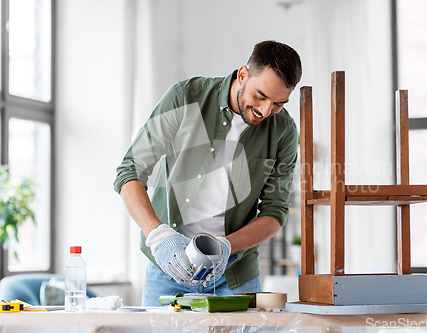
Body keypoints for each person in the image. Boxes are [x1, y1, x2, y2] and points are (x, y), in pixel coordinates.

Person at [113, 40, 302, 306]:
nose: (265, 111)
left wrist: (226, 246)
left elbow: (275, 213)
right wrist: (158, 235)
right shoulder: (186, 97)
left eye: (278, 104)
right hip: (169, 266)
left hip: (234, 273)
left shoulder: (283, 130)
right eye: (260, 96)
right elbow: (130, 170)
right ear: (243, 74)